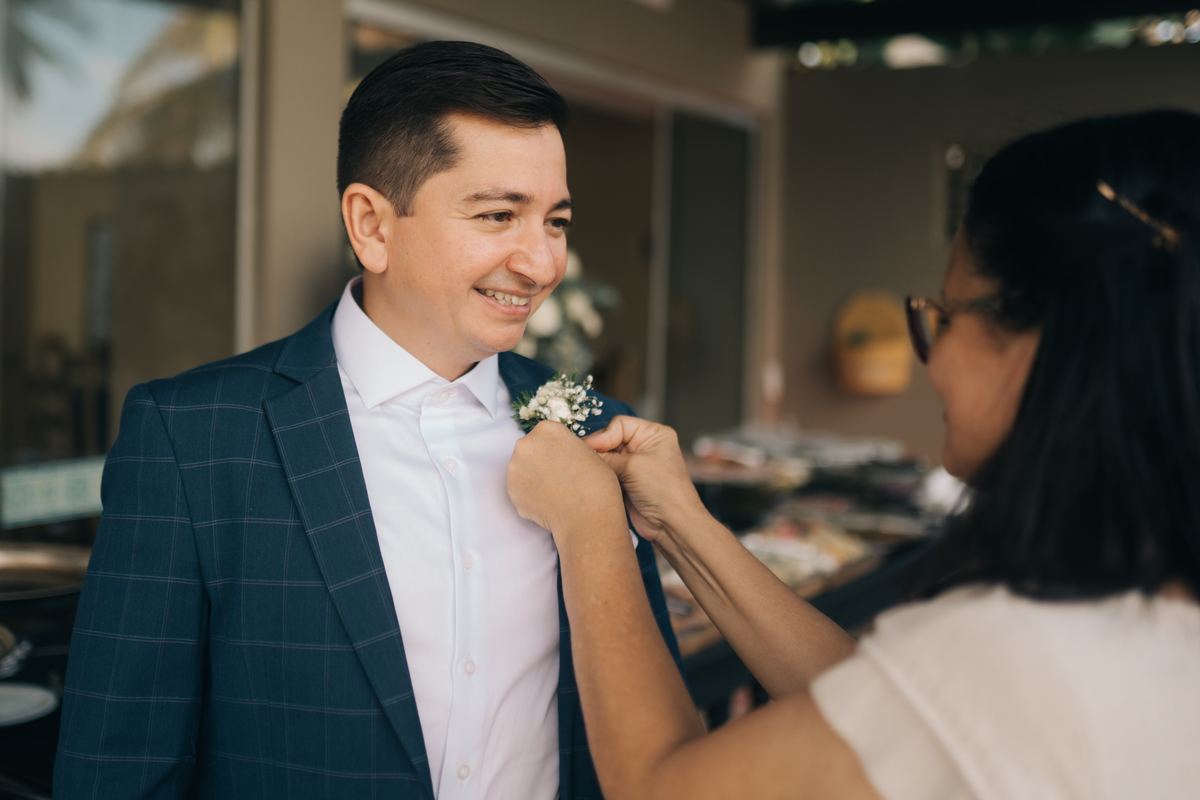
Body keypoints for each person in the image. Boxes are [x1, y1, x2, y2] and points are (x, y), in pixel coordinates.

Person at [506, 109, 1200, 799]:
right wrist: (681, 521)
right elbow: (876, 706)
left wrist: (591, 524)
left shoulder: (1023, 653)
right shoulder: (1144, 621)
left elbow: (662, 788)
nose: (933, 358)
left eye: (945, 316)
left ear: (1051, 340)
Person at [54, 41, 680, 800]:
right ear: (372, 226)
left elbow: (652, 733)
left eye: (556, 220)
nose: (542, 263)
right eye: (497, 215)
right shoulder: (192, 440)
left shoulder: (599, 433)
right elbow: (116, 771)